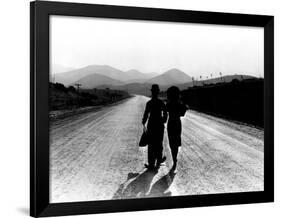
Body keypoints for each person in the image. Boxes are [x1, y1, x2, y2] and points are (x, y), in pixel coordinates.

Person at [142, 84, 167, 170]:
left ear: (152, 92)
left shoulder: (149, 103)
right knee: (159, 143)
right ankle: (158, 162)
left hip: (151, 124)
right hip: (159, 124)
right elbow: (165, 112)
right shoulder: (161, 102)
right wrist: (164, 120)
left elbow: (146, 114)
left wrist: (144, 121)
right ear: (158, 92)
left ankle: (151, 164)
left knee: (151, 144)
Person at [166, 86, 188, 172]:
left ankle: (174, 159)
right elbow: (182, 114)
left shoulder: (169, 104)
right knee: (176, 142)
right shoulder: (180, 104)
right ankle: (175, 159)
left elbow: (166, 111)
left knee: (172, 143)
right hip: (177, 123)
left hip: (171, 123)